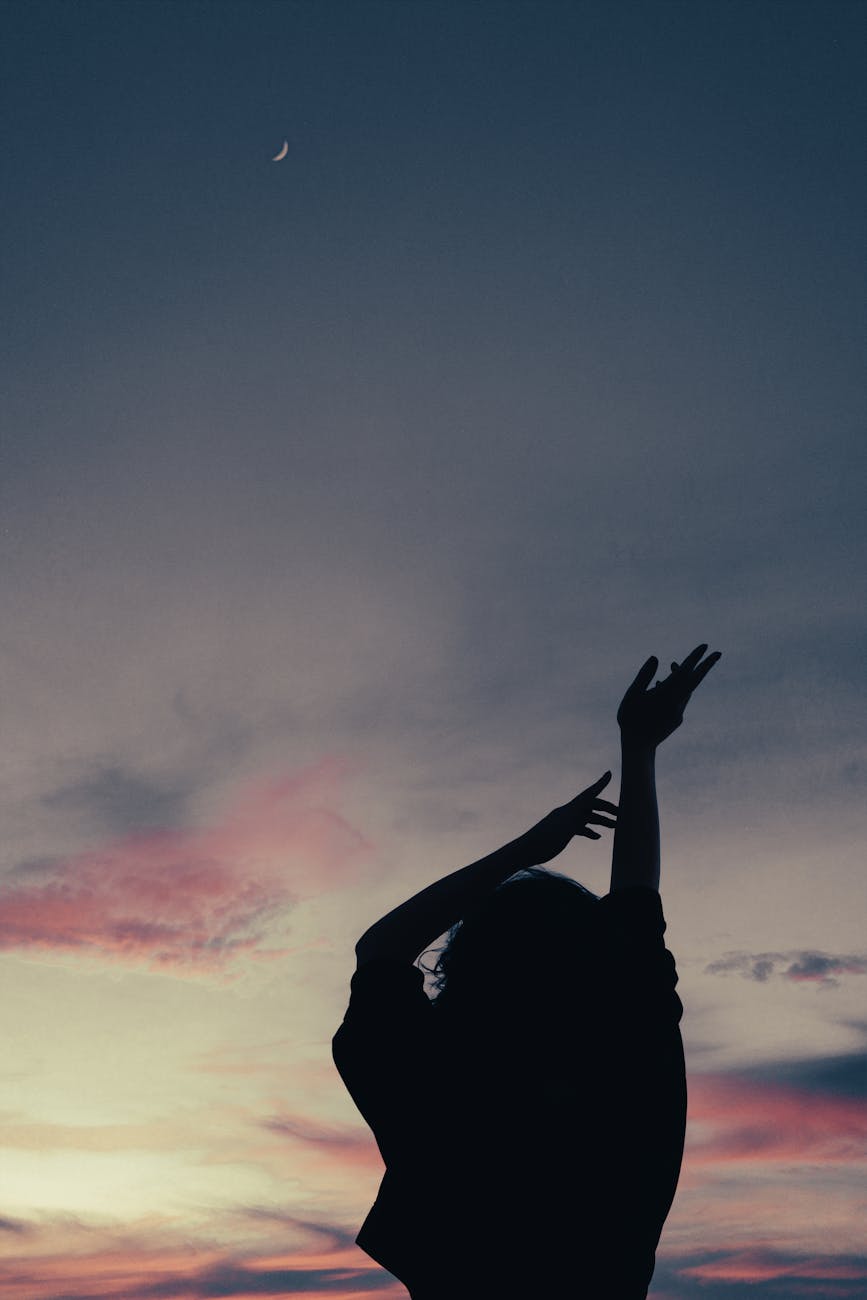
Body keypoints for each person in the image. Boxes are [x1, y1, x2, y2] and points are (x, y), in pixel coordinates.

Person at [332, 644, 721, 1299]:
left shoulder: (433, 1086)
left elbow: (381, 952)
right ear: (596, 967)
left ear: (465, 965)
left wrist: (527, 847)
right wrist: (639, 747)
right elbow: (634, 903)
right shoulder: (624, 1070)